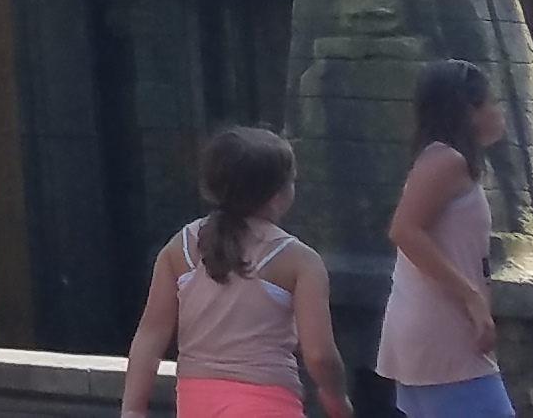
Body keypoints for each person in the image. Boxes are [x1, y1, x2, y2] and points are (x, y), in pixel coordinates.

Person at [123, 125, 350, 418]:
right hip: (267, 405)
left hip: (196, 403)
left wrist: (133, 409)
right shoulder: (299, 260)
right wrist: (336, 398)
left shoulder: (180, 248)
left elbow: (151, 333)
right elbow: (319, 355)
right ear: (277, 196)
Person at [382, 59, 511, 418]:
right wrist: (471, 297)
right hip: (442, 325)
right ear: (470, 110)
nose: (499, 111)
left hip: (435, 323)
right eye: (492, 101)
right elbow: (404, 230)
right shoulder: (446, 161)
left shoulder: (444, 161)